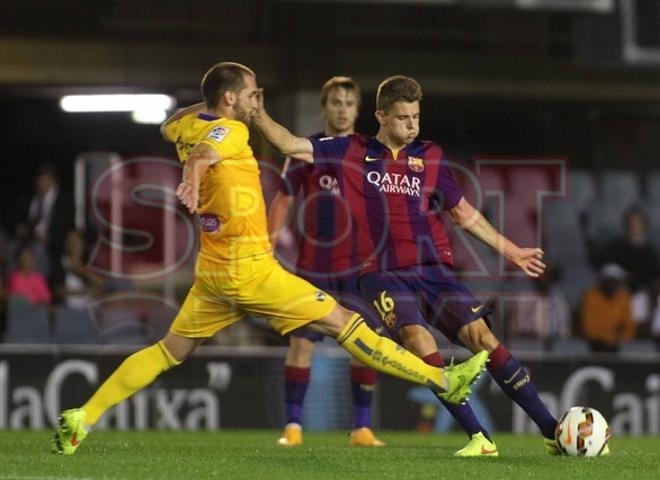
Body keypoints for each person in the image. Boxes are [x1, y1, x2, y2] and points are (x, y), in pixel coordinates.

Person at [52, 62, 488, 455]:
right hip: (251, 270)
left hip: (213, 274)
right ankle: (443, 379)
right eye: (251, 92)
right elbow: (208, 153)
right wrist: (192, 175)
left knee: (168, 350)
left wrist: (202, 117)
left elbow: (171, 126)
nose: (255, 98)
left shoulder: (186, 128)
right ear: (230, 99)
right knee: (345, 324)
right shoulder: (233, 131)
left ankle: (83, 418)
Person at [254, 74, 563, 456]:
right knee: (420, 341)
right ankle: (480, 439)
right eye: (403, 118)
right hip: (380, 274)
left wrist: (511, 250)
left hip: (433, 269)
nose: (412, 125)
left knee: (482, 338)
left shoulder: (430, 155)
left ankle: (553, 431)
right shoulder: (349, 150)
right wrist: (258, 113)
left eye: (416, 116)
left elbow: (464, 214)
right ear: (381, 116)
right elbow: (288, 143)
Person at [269, 77, 385, 447]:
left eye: (349, 103)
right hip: (313, 267)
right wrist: (268, 241)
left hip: (359, 269)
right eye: (335, 102)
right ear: (324, 107)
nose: (342, 108)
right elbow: (284, 198)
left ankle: (363, 428)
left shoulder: (372, 152)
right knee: (302, 345)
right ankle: (293, 427)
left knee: (364, 343)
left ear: (357, 109)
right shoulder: (306, 150)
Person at [580, 263, 636, 352]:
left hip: (619, 347)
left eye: (615, 281)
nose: (612, 284)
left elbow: (629, 327)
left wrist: (617, 339)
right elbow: (590, 329)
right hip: (595, 347)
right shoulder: (591, 297)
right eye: (609, 280)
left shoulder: (624, 298)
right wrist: (610, 338)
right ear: (603, 281)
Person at [52, 230, 105, 310]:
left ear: (82, 244)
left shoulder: (90, 263)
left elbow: (102, 285)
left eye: (77, 242)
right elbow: (58, 291)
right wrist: (86, 291)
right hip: (68, 309)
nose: (74, 245)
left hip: (91, 308)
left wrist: (80, 270)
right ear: (66, 245)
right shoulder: (60, 263)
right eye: (70, 242)